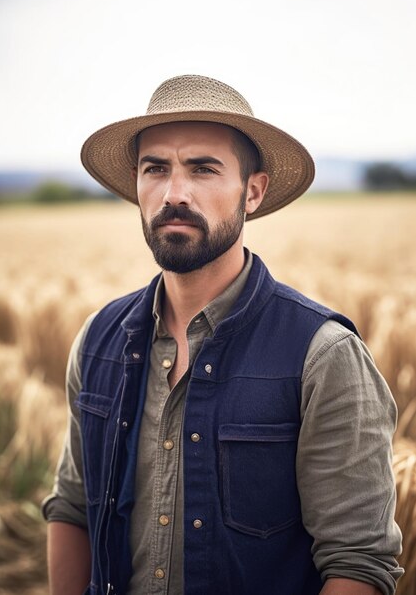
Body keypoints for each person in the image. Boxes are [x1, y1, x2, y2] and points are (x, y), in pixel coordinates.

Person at [43, 75, 404, 595]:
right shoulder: (98, 340)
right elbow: (73, 507)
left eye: (203, 169)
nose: (174, 194)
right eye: (155, 168)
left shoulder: (323, 356)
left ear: (252, 192)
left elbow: (358, 562)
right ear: (137, 185)